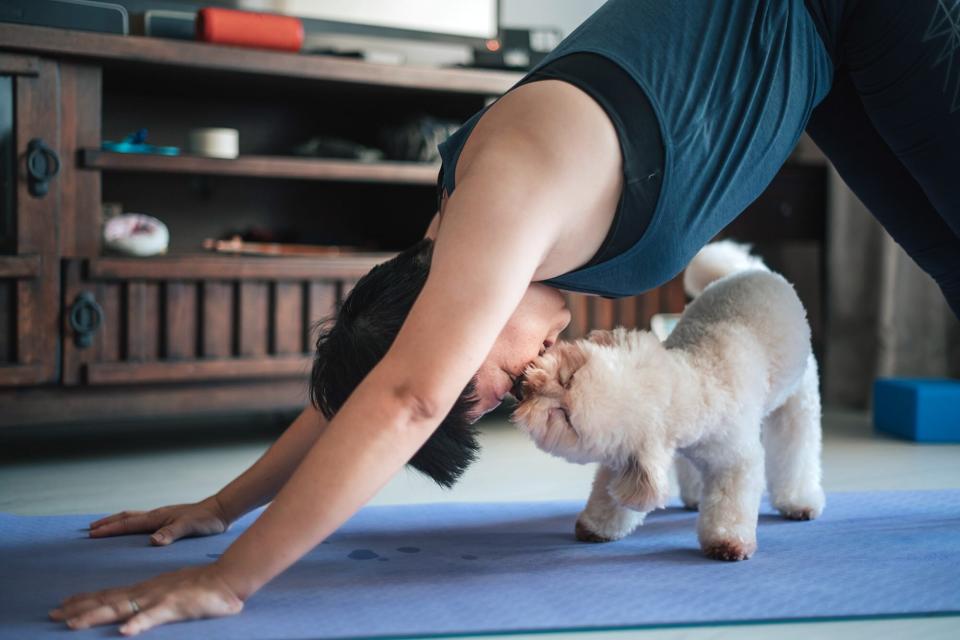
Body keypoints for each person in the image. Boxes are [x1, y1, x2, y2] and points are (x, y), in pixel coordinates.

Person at [50, 0, 959, 634]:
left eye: (486, 385)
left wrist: (228, 583)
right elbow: (372, 387)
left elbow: (405, 396)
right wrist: (221, 507)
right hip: (823, 50)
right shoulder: (449, 243)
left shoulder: (501, 203)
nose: (531, 377)